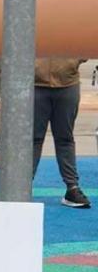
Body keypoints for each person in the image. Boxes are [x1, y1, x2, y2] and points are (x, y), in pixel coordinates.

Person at [33, 58, 90, 209]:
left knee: (65, 138)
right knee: (33, 139)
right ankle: (22, 187)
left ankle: (72, 187)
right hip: (34, 84)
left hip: (68, 84)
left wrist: (73, 61)